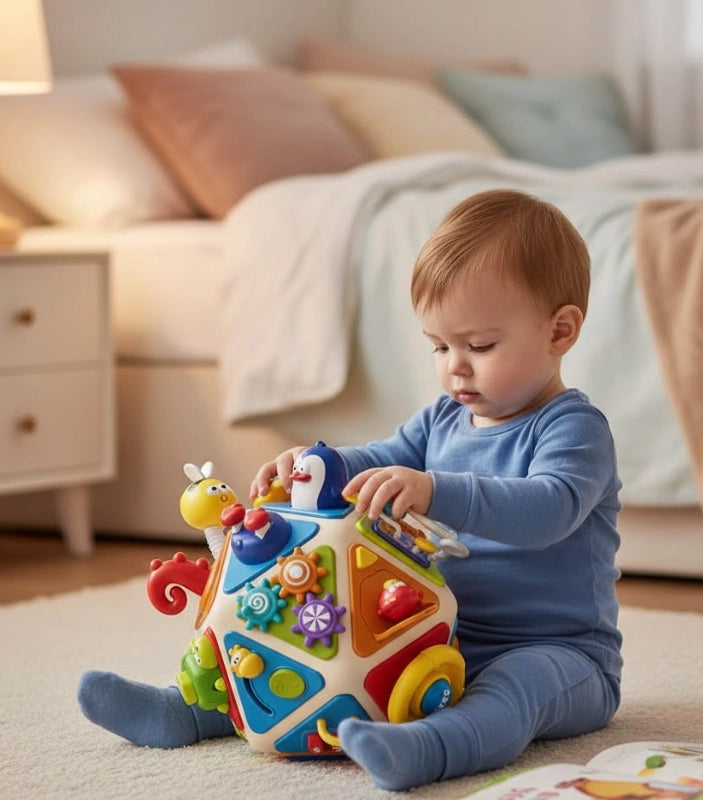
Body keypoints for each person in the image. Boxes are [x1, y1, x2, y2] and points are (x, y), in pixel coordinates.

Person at [78, 189, 623, 792]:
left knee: (514, 691)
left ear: (562, 331)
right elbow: (382, 459)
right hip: (435, 635)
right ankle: (194, 709)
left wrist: (435, 489)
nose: (455, 367)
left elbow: (551, 509)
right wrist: (316, 462)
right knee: (311, 649)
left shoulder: (573, 428)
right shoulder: (443, 418)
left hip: (559, 654)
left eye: (480, 346)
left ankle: (433, 750)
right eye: (439, 346)